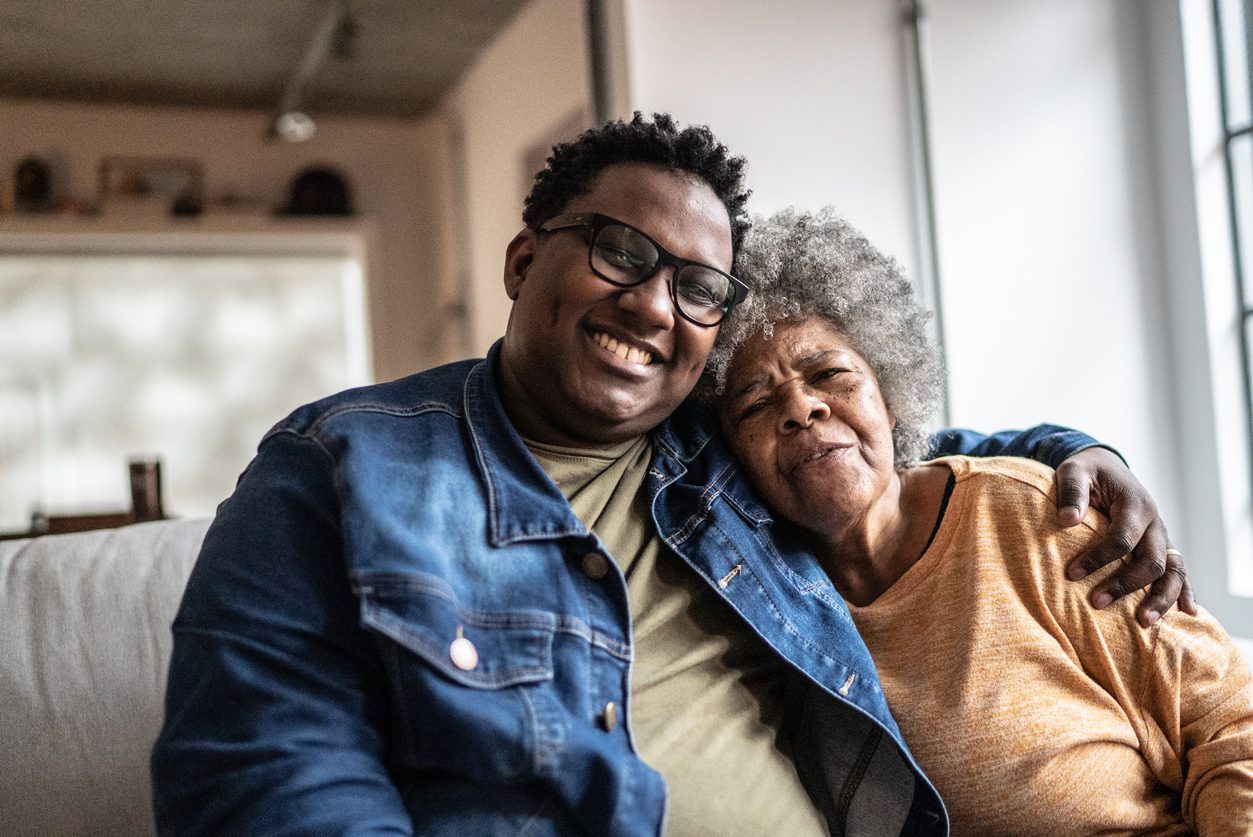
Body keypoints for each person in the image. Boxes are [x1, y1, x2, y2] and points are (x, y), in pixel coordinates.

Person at [153, 114, 1191, 836]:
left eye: (697, 287)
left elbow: (882, 445)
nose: (654, 306)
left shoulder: (720, 453)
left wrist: (1076, 451)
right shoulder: (339, 467)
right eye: (618, 250)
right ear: (522, 262)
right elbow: (268, 781)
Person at [708, 207, 1253, 834]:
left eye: (829, 374)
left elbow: (1232, 726)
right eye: (755, 402)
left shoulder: (1033, 516)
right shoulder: (758, 602)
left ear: (889, 392)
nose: (802, 407)